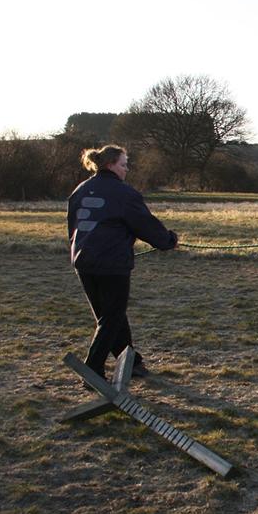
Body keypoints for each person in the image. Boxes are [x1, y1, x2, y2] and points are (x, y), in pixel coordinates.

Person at [67, 144, 178, 381]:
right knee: (112, 316)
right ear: (110, 165)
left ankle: (131, 361)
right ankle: (92, 370)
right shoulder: (124, 193)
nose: (127, 169)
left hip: (83, 261)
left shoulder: (81, 189)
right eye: (123, 164)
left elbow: (72, 227)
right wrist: (168, 240)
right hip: (112, 263)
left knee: (108, 315)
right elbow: (145, 224)